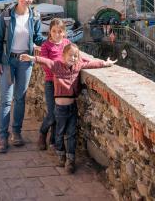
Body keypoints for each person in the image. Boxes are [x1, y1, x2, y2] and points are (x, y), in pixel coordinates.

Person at [20, 44, 116, 173]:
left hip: (72, 107)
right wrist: (31, 58)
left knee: (72, 134)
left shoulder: (77, 66)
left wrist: (105, 63)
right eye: (70, 55)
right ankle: (61, 155)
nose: (73, 57)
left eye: (75, 55)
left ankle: (70, 160)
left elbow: (91, 64)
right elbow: (46, 60)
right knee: (59, 133)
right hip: (60, 109)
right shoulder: (57, 66)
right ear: (63, 55)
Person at [0, 0, 46, 153]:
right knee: (5, 100)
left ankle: (16, 133)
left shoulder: (35, 16)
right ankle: (2, 136)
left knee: (20, 98)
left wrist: (54, 42)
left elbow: (37, 37)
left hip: (25, 61)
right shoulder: (7, 16)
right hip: (7, 62)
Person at [37, 19, 70, 152]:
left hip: (63, 85)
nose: (57, 34)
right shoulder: (46, 46)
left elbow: (76, 57)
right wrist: (61, 70)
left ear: (64, 33)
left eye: (60, 31)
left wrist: (100, 62)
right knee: (53, 114)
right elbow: (46, 65)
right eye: (54, 31)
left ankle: (54, 140)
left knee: (60, 112)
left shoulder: (67, 44)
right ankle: (42, 133)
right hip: (51, 83)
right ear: (50, 32)